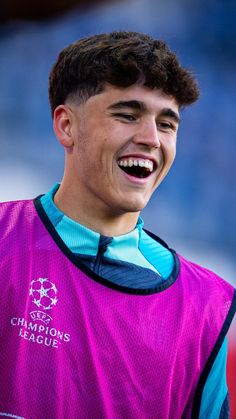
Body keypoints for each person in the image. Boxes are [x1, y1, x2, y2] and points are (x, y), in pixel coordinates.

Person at [0, 31, 235, 419]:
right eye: (127, 115)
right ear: (66, 126)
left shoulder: (205, 308)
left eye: (166, 124)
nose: (151, 139)